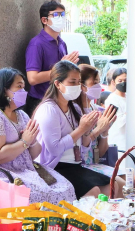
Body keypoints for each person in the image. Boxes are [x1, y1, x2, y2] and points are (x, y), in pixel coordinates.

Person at [0, 68, 76, 204]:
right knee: (41, 194)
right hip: (2, 173)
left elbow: (33, 154)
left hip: (27, 169)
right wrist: (24, 142)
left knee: (66, 188)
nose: (23, 91)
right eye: (19, 86)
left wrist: (32, 141)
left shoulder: (21, 115)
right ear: (4, 89)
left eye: (23, 86)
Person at [32, 61, 112, 198]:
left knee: (111, 187)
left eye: (79, 82)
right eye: (72, 82)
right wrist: (81, 130)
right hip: (54, 167)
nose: (77, 87)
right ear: (58, 84)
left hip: (75, 164)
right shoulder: (49, 109)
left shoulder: (74, 108)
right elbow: (54, 149)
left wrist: (88, 130)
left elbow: (85, 149)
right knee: (93, 192)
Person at [25, 0, 80, 116]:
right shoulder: (36, 44)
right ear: (44, 20)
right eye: (56, 15)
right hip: (40, 101)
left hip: (60, 100)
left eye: (63, 15)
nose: (61, 18)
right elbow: (32, 79)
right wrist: (60, 68)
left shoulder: (62, 43)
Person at [103, 68, 127, 151]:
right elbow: (120, 121)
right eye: (120, 80)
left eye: (126, 80)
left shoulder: (130, 97)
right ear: (113, 82)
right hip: (119, 142)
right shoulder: (112, 99)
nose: (123, 83)